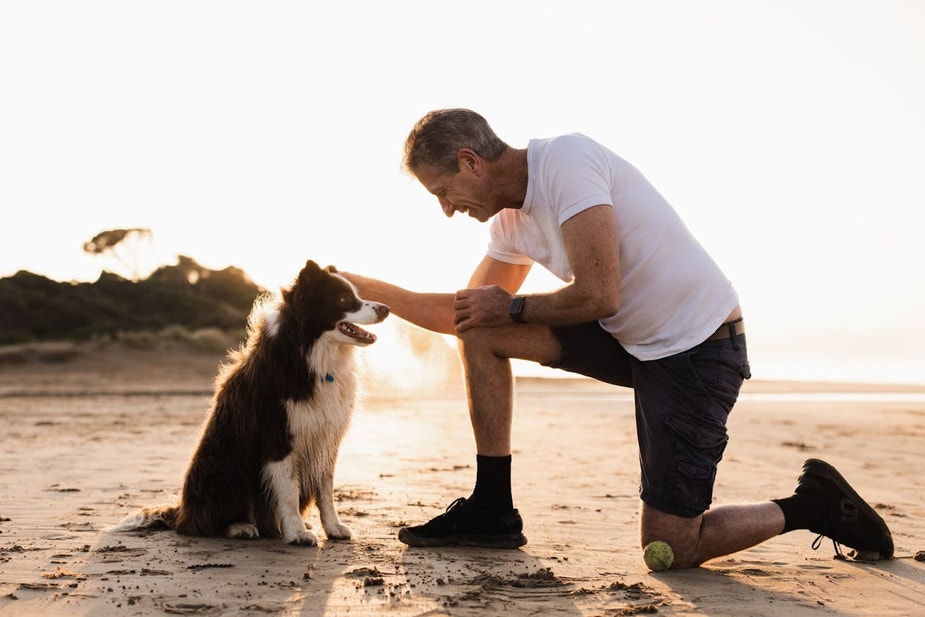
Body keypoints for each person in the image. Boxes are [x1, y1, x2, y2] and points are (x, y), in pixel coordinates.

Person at [343, 108, 893, 568]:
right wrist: (365, 290)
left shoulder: (567, 162)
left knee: (670, 548)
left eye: (445, 191)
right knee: (483, 335)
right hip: (631, 342)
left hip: (699, 350)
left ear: (470, 162)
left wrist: (511, 307)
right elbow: (468, 315)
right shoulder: (508, 223)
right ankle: (492, 509)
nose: (447, 209)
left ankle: (811, 506)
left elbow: (602, 295)